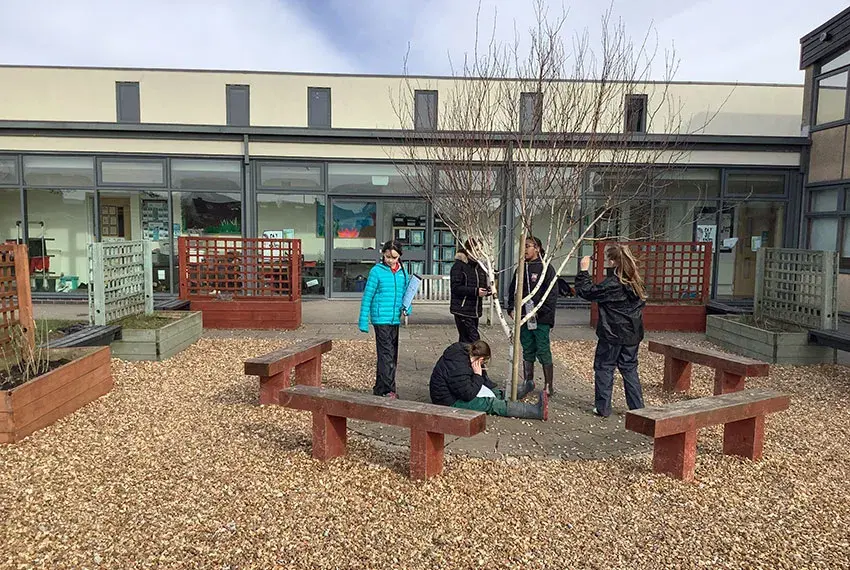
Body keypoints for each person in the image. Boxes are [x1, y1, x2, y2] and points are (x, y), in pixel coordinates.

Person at [575, 244, 647, 418]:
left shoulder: (614, 283)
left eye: (609, 258)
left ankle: (603, 407)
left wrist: (584, 271)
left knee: (604, 367)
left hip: (612, 333)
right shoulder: (634, 280)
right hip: (632, 333)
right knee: (629, 368)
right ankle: (638, 408)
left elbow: (587, 292)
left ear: (614, 261)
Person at [429, 340, 548, 420]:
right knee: (491, 404)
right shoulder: (460, 369)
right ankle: (535, 411)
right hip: (448, 401)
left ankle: (515, 393)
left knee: (492, 392)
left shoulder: (463, 352)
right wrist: (478, 376)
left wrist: (479, 379)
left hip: (454, 392)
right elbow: (468, 395)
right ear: (480, 359)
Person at [506, 236, 558, 397]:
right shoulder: (521, 267)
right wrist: (511, 308)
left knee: (542, 349)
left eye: (527, 246)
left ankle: (549, 385)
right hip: (523, 317)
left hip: (541, 318)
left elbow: (551, 294)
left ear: (537, 248)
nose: (524, 250)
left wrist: (539, 311)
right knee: (527, 348)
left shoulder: (546, 268)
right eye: (522, 246)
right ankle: (528, 381)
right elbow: (512, 290)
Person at [358, 239, 410, 399]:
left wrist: (408, 308)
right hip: (380, 318)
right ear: (383, 254)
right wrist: (363, 319)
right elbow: (367, 296)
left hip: (395, 318)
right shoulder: (376, 271)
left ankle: (380, 388)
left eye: (394, 257)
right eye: (388, 256)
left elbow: (407, 293)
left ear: (399, 256)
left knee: (391, 355)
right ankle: (389, 390)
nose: (390, 260)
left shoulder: (403, 272)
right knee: (387, 355)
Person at [450, 239, 490, 343]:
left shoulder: (479, 267)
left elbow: (482, 285)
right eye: (476, 250)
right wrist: (475, 291)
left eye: (480, 250)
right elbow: (455, 287)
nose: (479, 253)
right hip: (462, 309)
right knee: (473, 340)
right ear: (468, 251)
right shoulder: (459, 266)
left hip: (474, 309)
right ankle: (468, 358)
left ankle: (462, 358)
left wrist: (487, 290)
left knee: (466, 341)